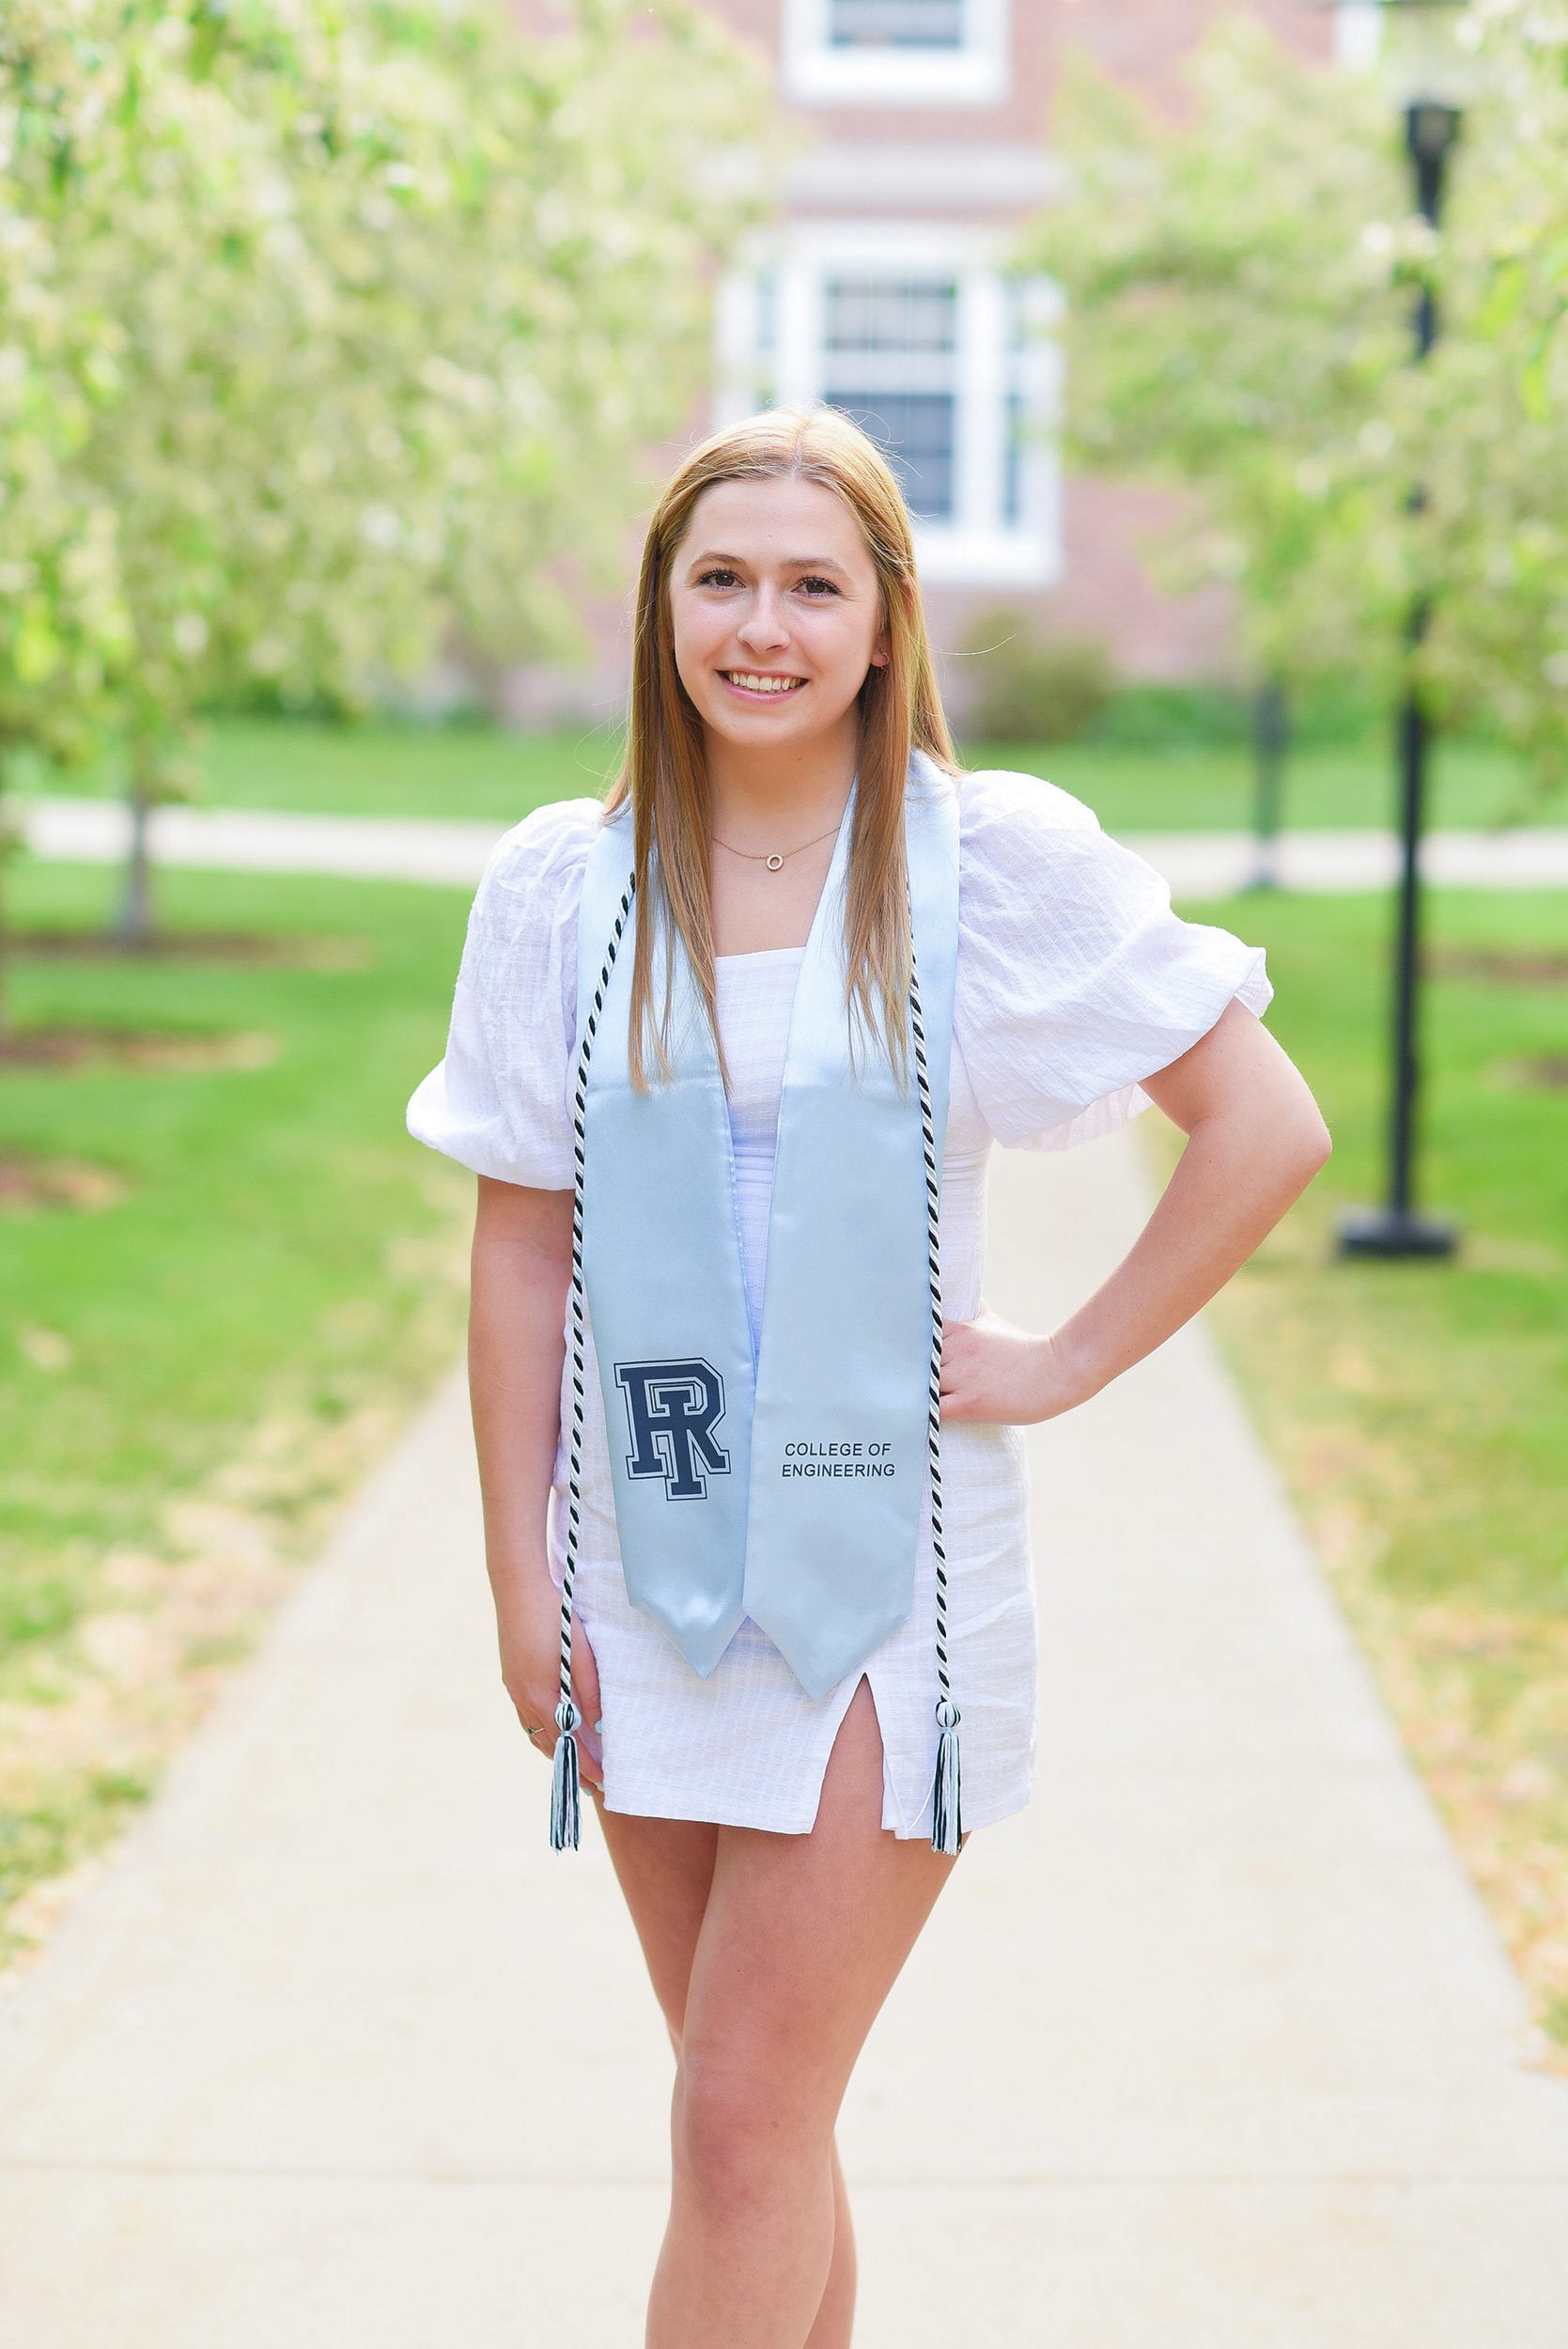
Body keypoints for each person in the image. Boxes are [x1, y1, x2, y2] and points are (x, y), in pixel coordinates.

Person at [406, 402, 1332, 2348]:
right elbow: (519, 1236)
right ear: (660, 605)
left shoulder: (983, 863)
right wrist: (517, 1576)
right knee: (753, 2131)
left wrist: (1066, 1356)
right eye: (720, 576)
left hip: (879, 1576)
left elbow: (1262, 1121)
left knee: (743, 2119)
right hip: (641, 1564)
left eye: (812, 582)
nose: (763, 624)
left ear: (887, 619)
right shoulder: (558, 888)